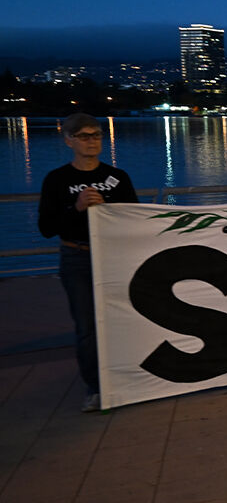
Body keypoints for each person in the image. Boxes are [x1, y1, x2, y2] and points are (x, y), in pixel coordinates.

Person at [38, 113, 139, 413]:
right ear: (68, 140)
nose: (92, 141)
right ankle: (95, 388)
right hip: (77, 258)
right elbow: (46, 228)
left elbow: (133, 218)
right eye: (84, 136)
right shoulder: (57, 180)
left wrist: (109, 210)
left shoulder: (117, 177)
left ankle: (126, 379)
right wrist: (77, 208)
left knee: (124, 319)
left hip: (112, 256)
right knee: (86, 326)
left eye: (96, 135)